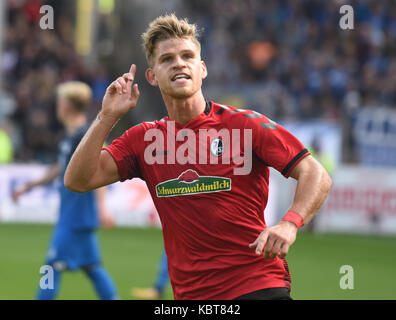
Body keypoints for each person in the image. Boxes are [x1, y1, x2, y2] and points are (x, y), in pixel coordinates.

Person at [64, 14, 332, 300]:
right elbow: (78, 180)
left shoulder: (245, 124)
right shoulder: (143, 141)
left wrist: (290, 223)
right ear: (152, 76)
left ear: (202, 69)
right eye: (167, 59)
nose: (179, 63)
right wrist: (107, 116)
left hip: (257, 285)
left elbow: (315, 173)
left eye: (187, 56)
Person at [12, 81, 118, 300]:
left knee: (50, 267)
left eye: (60, 101)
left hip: (75, 216)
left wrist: (102, 208)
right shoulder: (71, 136)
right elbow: (62, 168)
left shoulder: (84, 134)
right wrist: (30, 186)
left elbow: (98, 166)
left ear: (68, 105)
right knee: (93, 267)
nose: (57, 106)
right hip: (73, 215)